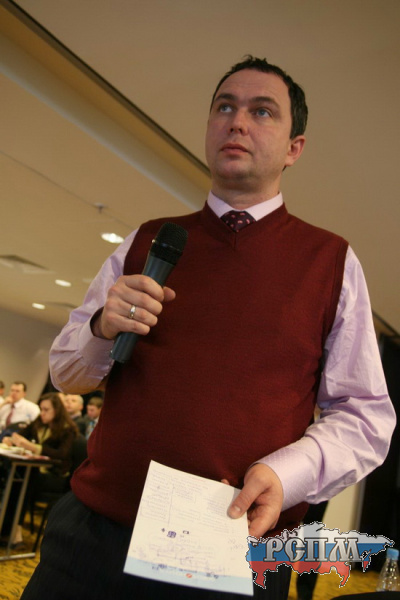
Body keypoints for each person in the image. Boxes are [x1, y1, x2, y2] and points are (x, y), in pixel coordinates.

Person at [21, 56, 395, 600]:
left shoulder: (330, 262)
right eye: (224, 107)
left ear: (294, 148)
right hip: (93, 538)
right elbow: (65, 373)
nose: (237, 122)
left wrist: (284, 474)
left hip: (236, 547)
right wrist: (101, 328)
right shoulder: (147, 241)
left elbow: (365, 416)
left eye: (262, 111)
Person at [1, 392, 78, 547]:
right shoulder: (39, 422)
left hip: (54, 476)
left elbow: (62, 454)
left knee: (21, 478)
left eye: (46, 410)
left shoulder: (67, 429)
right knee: (15, 475)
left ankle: (13, 529)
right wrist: (11, 440)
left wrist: (33, 447)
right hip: (33, 471)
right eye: (41, 409)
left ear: (57, 410)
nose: (42, 413)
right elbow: (21, 435)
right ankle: (9, 528)